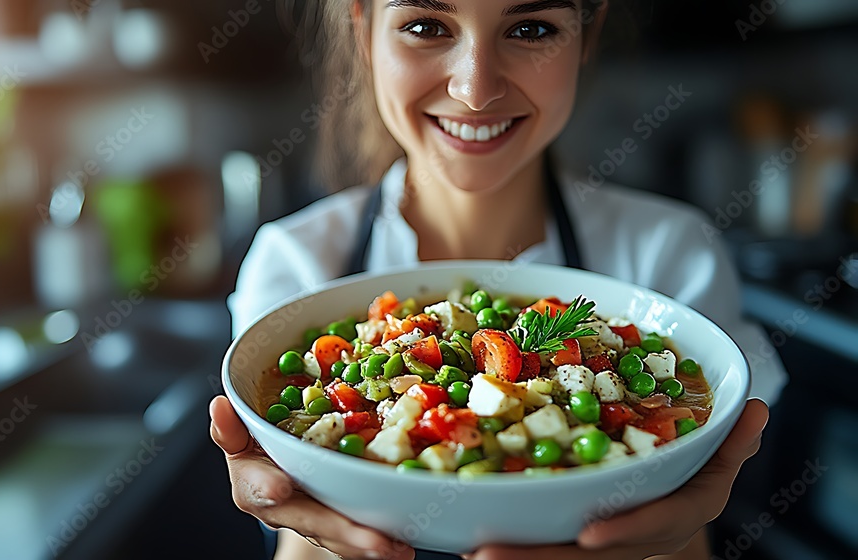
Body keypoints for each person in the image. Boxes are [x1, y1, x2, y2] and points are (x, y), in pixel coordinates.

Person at [210, 0, 785, 558]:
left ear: (587, 33)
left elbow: (686, 526)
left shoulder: (670, 253)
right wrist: (306, 509)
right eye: (426, 25)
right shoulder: (295, 263)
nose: (475, 88)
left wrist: (673, 528)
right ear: (363, 29)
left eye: (531, 29)